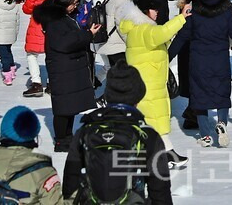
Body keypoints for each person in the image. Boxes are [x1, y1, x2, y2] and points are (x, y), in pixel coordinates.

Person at [63, 62, 173, 204]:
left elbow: (70, 181)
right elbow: (160, 188)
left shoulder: (86, 130)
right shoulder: (147, 135)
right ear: (138, 96)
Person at [169, 0, 232, 148]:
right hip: (219, 60)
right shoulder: (226, 10)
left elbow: (182, 36)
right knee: (221, 93)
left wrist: (167, 56)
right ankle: (221, 123)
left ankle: (205, 135)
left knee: (199, 96)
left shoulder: (194, 9)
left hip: (198, 62)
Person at [119, 0, 192, 169]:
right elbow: (161, 34)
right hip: (148, 84)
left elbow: (160, 40)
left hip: (150, 82)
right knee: (152, 122)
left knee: (154, 121)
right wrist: (181, 18)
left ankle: (168, 154)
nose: (157, 11)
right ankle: (156, 157)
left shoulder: (140, 29)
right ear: (144, 11)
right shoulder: (144, 29)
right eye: (153, 8)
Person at [33, 0, 102, 152]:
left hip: (68, 67)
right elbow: (65, 43)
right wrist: (87, 35)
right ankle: (61, 140)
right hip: (63, 68)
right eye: (73, 3)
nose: (75, 6)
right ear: (64, 1)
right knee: (63, 108)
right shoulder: (56, 21)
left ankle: (67, 137)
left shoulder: (63, 17)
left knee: (69, 106)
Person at [22, 0, 66, 98]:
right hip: (55, 23)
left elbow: (27, 8)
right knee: (52, 54)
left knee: (32, 54)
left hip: (38, 23)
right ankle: (52, 83)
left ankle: (36, 83)